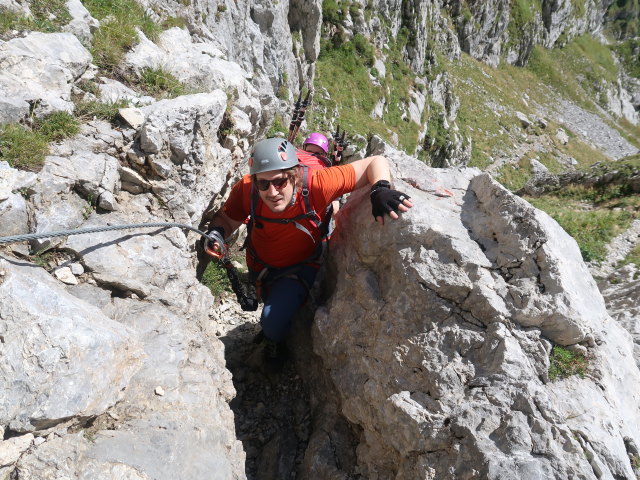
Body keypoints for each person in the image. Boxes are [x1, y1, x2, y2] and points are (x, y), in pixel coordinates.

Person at [203, 137, 413, 368]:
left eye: (280, 182)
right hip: (259, 264)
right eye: (263, 184)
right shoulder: (247, 189)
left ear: (293, 175)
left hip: (299, 266)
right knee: (268, 303)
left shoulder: (316, 184)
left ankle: (275, 340)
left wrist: (380, 190)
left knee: (271, 321)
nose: (272, 192)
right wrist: (217, 233)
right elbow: (227, 218)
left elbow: (375, 162)